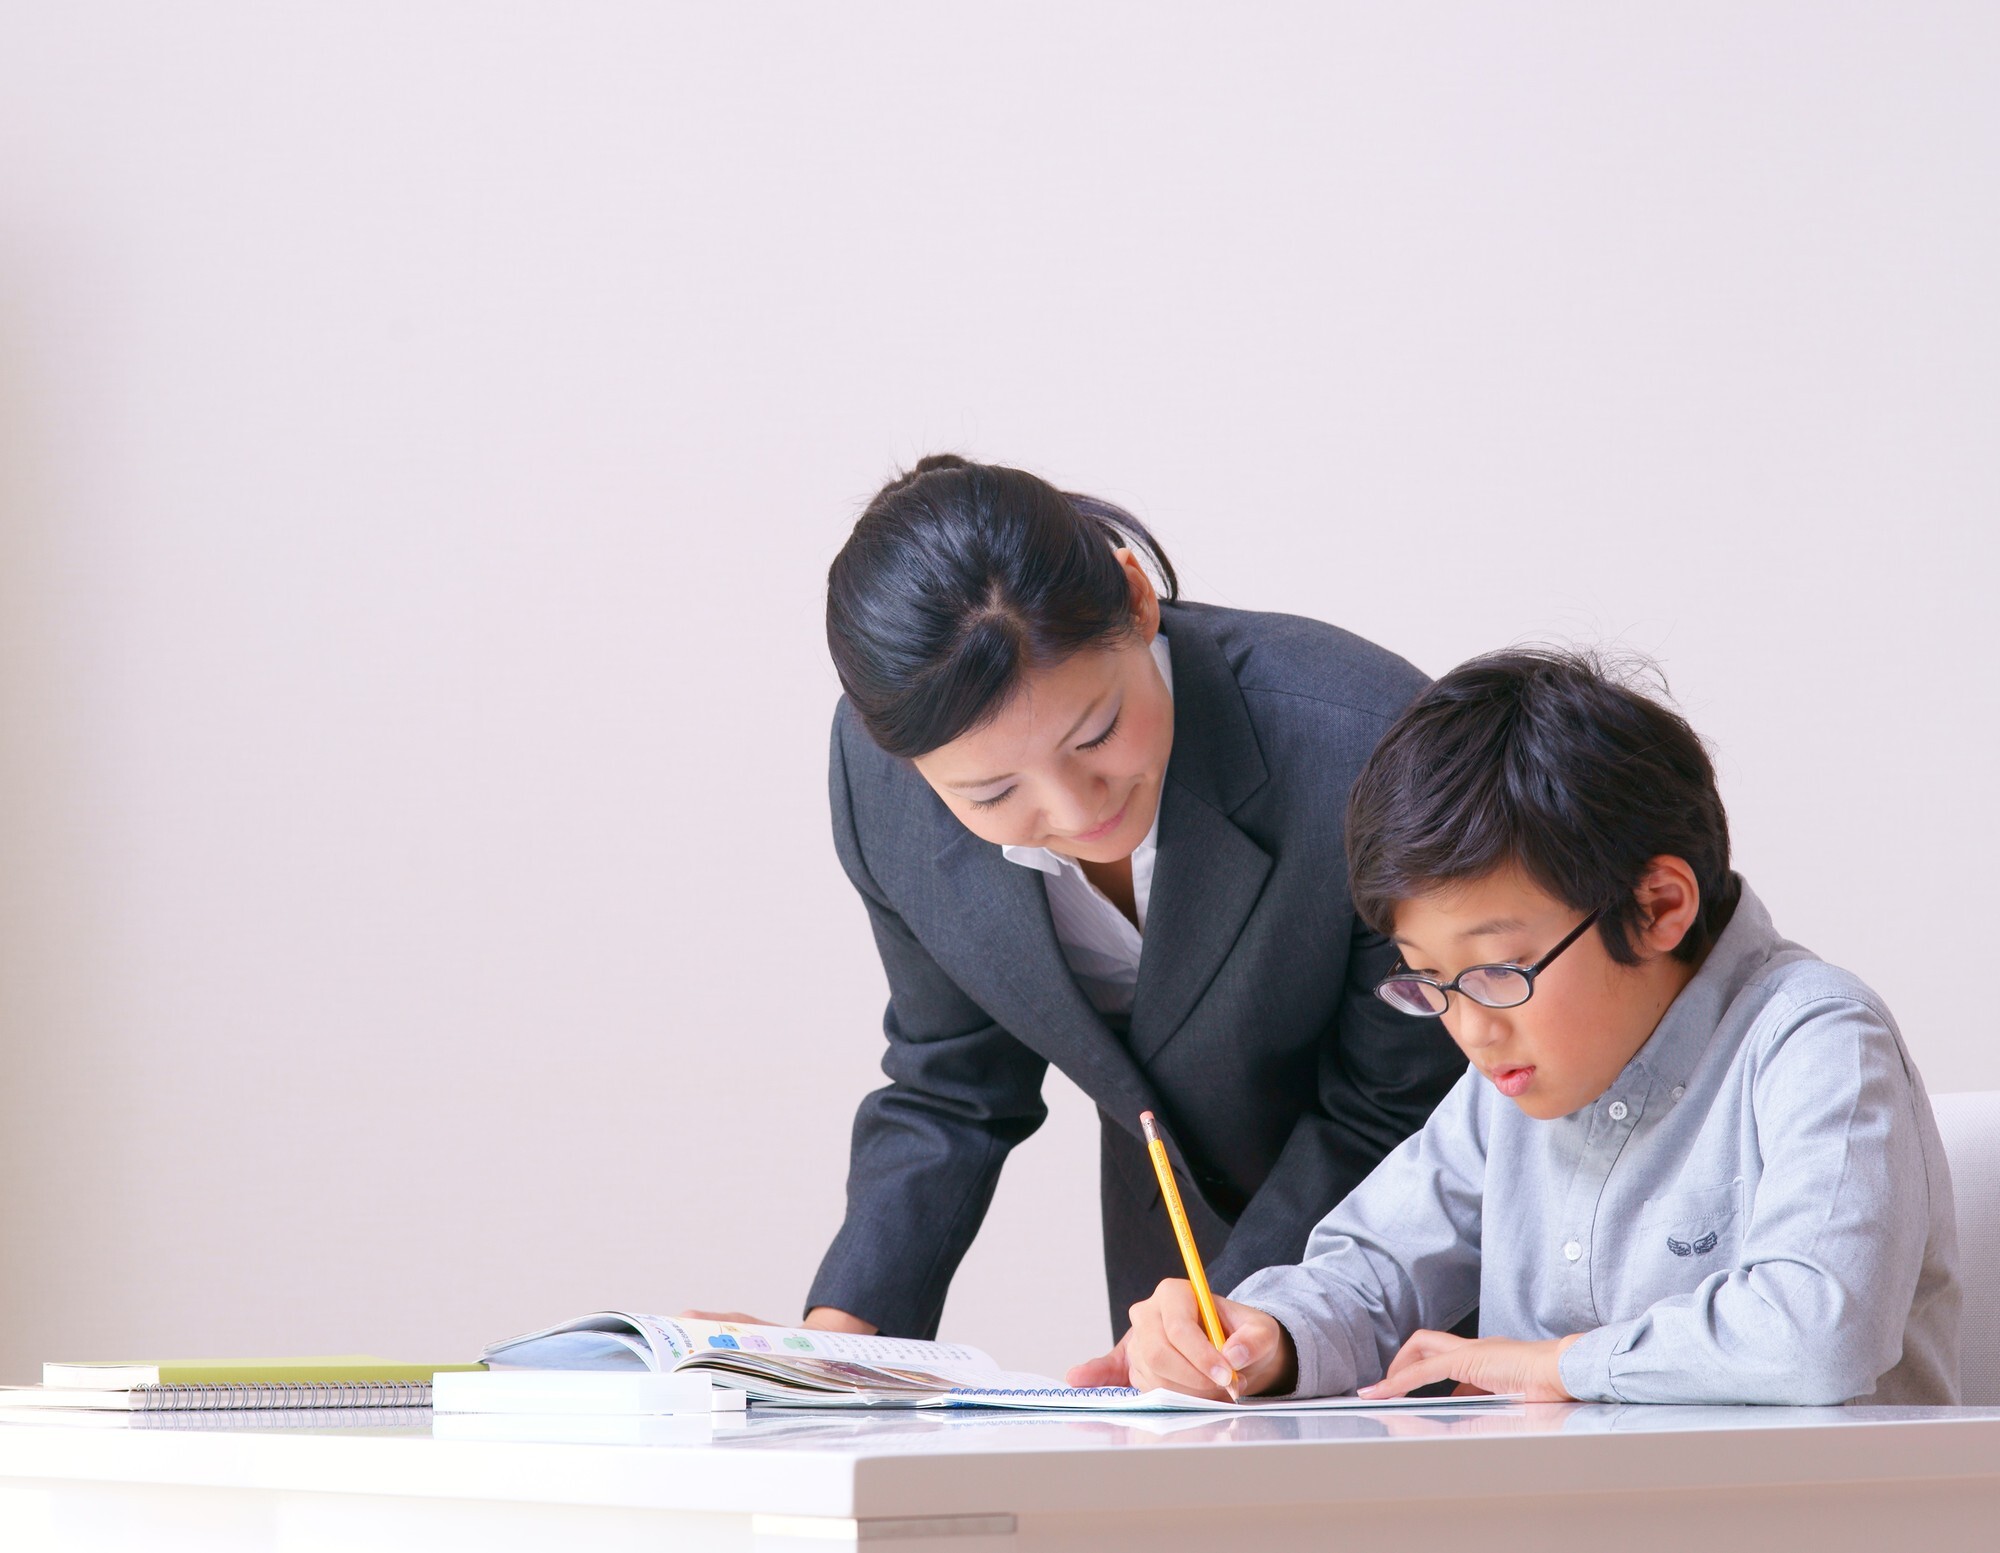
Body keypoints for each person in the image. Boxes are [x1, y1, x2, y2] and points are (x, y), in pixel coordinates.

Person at [693, 456, 1464, 1361]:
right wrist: (833, 1349)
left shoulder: (1364, 743)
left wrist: (1223, 1316)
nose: (1073, 809)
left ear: (1136, 599)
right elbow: (951, 1082)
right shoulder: (883, 787)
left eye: (1096, 733)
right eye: (991, 793)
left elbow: (1393, 1100)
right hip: (1168, 1294)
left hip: (1417, 1279)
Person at [1115, 649, 1961, 1405]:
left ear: (1658, 906)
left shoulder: (1815, 1041)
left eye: (1496, 972)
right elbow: (1369, 1271)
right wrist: (1262, 1337)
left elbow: (1816, 1331)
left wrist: (1556, 1365)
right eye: (1430, 981)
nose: (1469, 1029)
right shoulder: (1508, 1087)